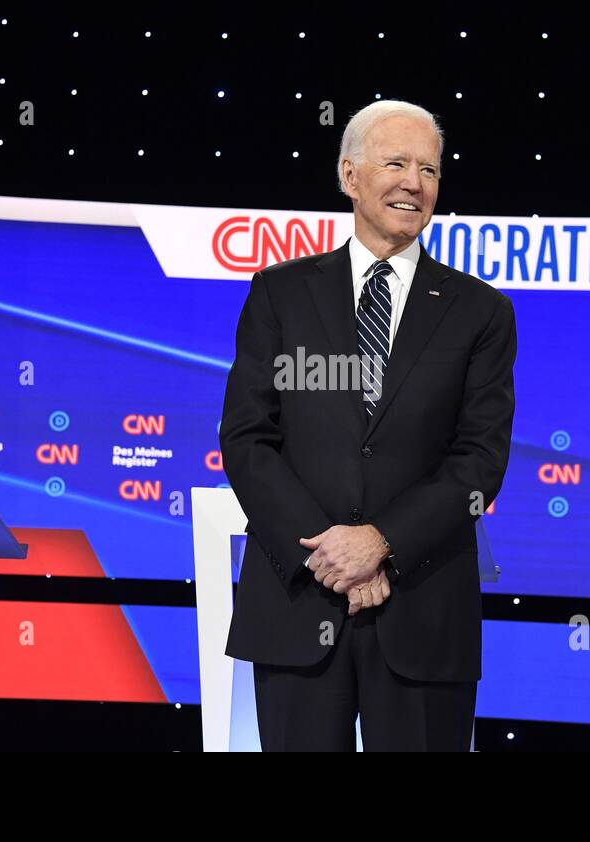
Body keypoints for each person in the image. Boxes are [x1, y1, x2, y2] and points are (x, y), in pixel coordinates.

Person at [220, 100, 516, 751]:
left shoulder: (481, 312)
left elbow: (479, 458)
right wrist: (331, 555)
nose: (414, 182)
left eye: (429, 170)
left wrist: (381, 542)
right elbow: (247, 439)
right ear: (349, 176)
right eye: (396, 163)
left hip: (424, 613)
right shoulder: (279, 293)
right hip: (300, 605)